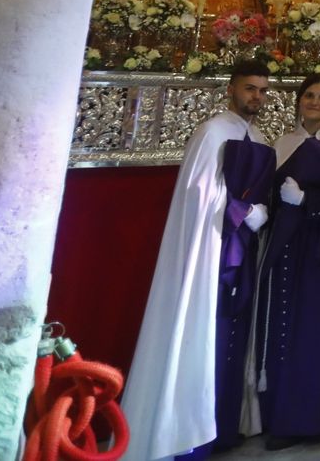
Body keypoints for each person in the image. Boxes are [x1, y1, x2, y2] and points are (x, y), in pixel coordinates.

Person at [122, 59, 276, 460]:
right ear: (231, 89)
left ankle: (223, 427)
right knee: (205, 328)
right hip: (212, 248)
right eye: (249, 88)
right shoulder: (212, 133)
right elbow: (198, 193)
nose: (255, 96)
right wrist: (245, 212)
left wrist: (260, 212)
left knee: (233, 332)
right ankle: (188, 433)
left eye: (262, 90)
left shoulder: (259, 136)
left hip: (244, 248)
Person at [245, 74, 320, 451]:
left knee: (310, 332)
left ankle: (305, 418)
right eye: (308, 95)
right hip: (284, 246)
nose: (314, 102)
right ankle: (274, 410)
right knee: (280, 326)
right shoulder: (283, 142)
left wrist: (309, 204)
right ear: (298, 100)